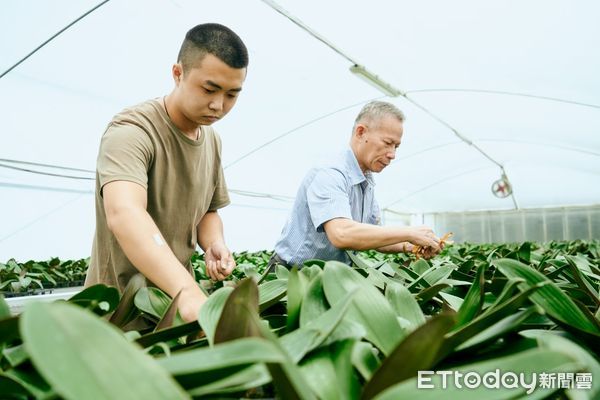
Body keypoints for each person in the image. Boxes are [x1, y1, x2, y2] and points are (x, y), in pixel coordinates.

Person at [84, 23, 248, 322]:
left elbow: (208, 211)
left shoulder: (211, 140)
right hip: (119, 313)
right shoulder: (132, 131)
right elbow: (124, 213)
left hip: (173, 312)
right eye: (209, 89)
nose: (218, 105)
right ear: (178, 73)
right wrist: (186, 291)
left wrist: (214, 244)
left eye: (232, 95)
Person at [271, 101, 442, 268]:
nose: (392, 154)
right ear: (361, 132)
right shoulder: (330, 173)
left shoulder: (366, 180)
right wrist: (409, 232)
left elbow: (376, 238)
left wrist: (413, 246)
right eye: (388, 143)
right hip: (291, 275)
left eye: (396, 146)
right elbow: (342, 234)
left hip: (330, 277)